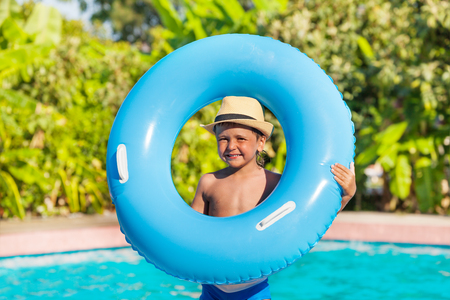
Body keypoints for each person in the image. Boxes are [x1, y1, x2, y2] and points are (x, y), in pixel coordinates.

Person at [191, 96, 356, 300]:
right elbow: (191, 230)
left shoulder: (276, 184)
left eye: (241, 139)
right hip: (213, 287)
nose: (231, 145)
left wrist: (346, 196)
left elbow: (309, 220)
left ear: (261, 142)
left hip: (253, 288)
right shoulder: (209, 182)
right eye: (223, 139)